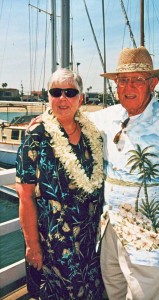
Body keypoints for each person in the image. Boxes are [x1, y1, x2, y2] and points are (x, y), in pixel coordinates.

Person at [87, 46, 159, 300]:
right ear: (115, 84)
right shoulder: (107, 117)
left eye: (138, 80)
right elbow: (71, 120)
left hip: (153, 241)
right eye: (123, 80)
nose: (129, 87)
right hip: (110, 235)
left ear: (153, 83)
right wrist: (46, 118)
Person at [15, 68, 105, 299]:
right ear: (49, 97)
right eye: (56, 92)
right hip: (54, 248)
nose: (62, 98)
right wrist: (32, 245)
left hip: (88, 245)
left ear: (80, 98)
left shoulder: (91, 134)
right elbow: (25, 196)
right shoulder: (36, 134)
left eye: (69, 92)